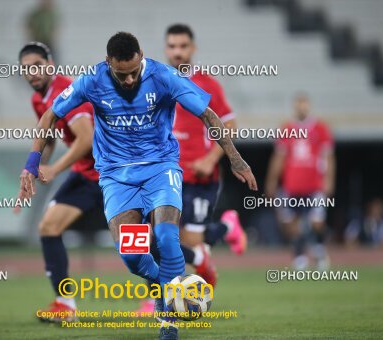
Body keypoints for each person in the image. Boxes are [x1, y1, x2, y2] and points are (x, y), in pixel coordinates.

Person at [18, 32, 257, 339]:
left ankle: (168, 322)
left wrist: (235, 159)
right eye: (122, 74)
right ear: (108, 64)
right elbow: (50, 116)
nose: (130, 80)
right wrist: (31, 165)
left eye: (134, 72)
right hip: (117, 177)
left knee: (168, 237)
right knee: (133, 256)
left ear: (141, 56)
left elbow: (209, 115)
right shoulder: (92, 80)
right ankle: (171, 289)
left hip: (161, 170)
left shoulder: (162, 76)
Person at [135, 23, 249, 314]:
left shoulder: (207, 85)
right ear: (165, 49)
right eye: (172, 46)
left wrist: (210, 160)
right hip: (164, 178)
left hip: (200, 179)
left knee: (186, 243)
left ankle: (224, 228)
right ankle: (157, 298)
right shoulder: (153, 83)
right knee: (153, 238)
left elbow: (230, 124)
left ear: (193, 48)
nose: (177, 52)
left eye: (183, 46)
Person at [17, 42, 102, 321]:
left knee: (137, 242)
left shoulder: (66, 91)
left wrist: (54, 169)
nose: (32, 72)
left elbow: (86, 138)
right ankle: (65, 305)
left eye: (37, 65)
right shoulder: (38, 100)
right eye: (26, 68)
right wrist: (35, 168)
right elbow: (49, 137)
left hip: (112, 175)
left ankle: (167, 291)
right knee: (49, 227)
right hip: (86, 175)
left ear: (50, 65)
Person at [265, 94, 335, 270]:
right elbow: (279, 157)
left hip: (314, 184)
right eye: (298, 104)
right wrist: (272, 181)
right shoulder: (286, 128)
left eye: (304, 104)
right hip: (292, 185)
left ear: (309, 106)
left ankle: (318, 251)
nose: (301, 107)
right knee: (291, 223)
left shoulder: (320, 128)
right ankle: (299, 256)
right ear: (294, 106)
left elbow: (329, 156)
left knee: (317, 222)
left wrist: (329, 180)